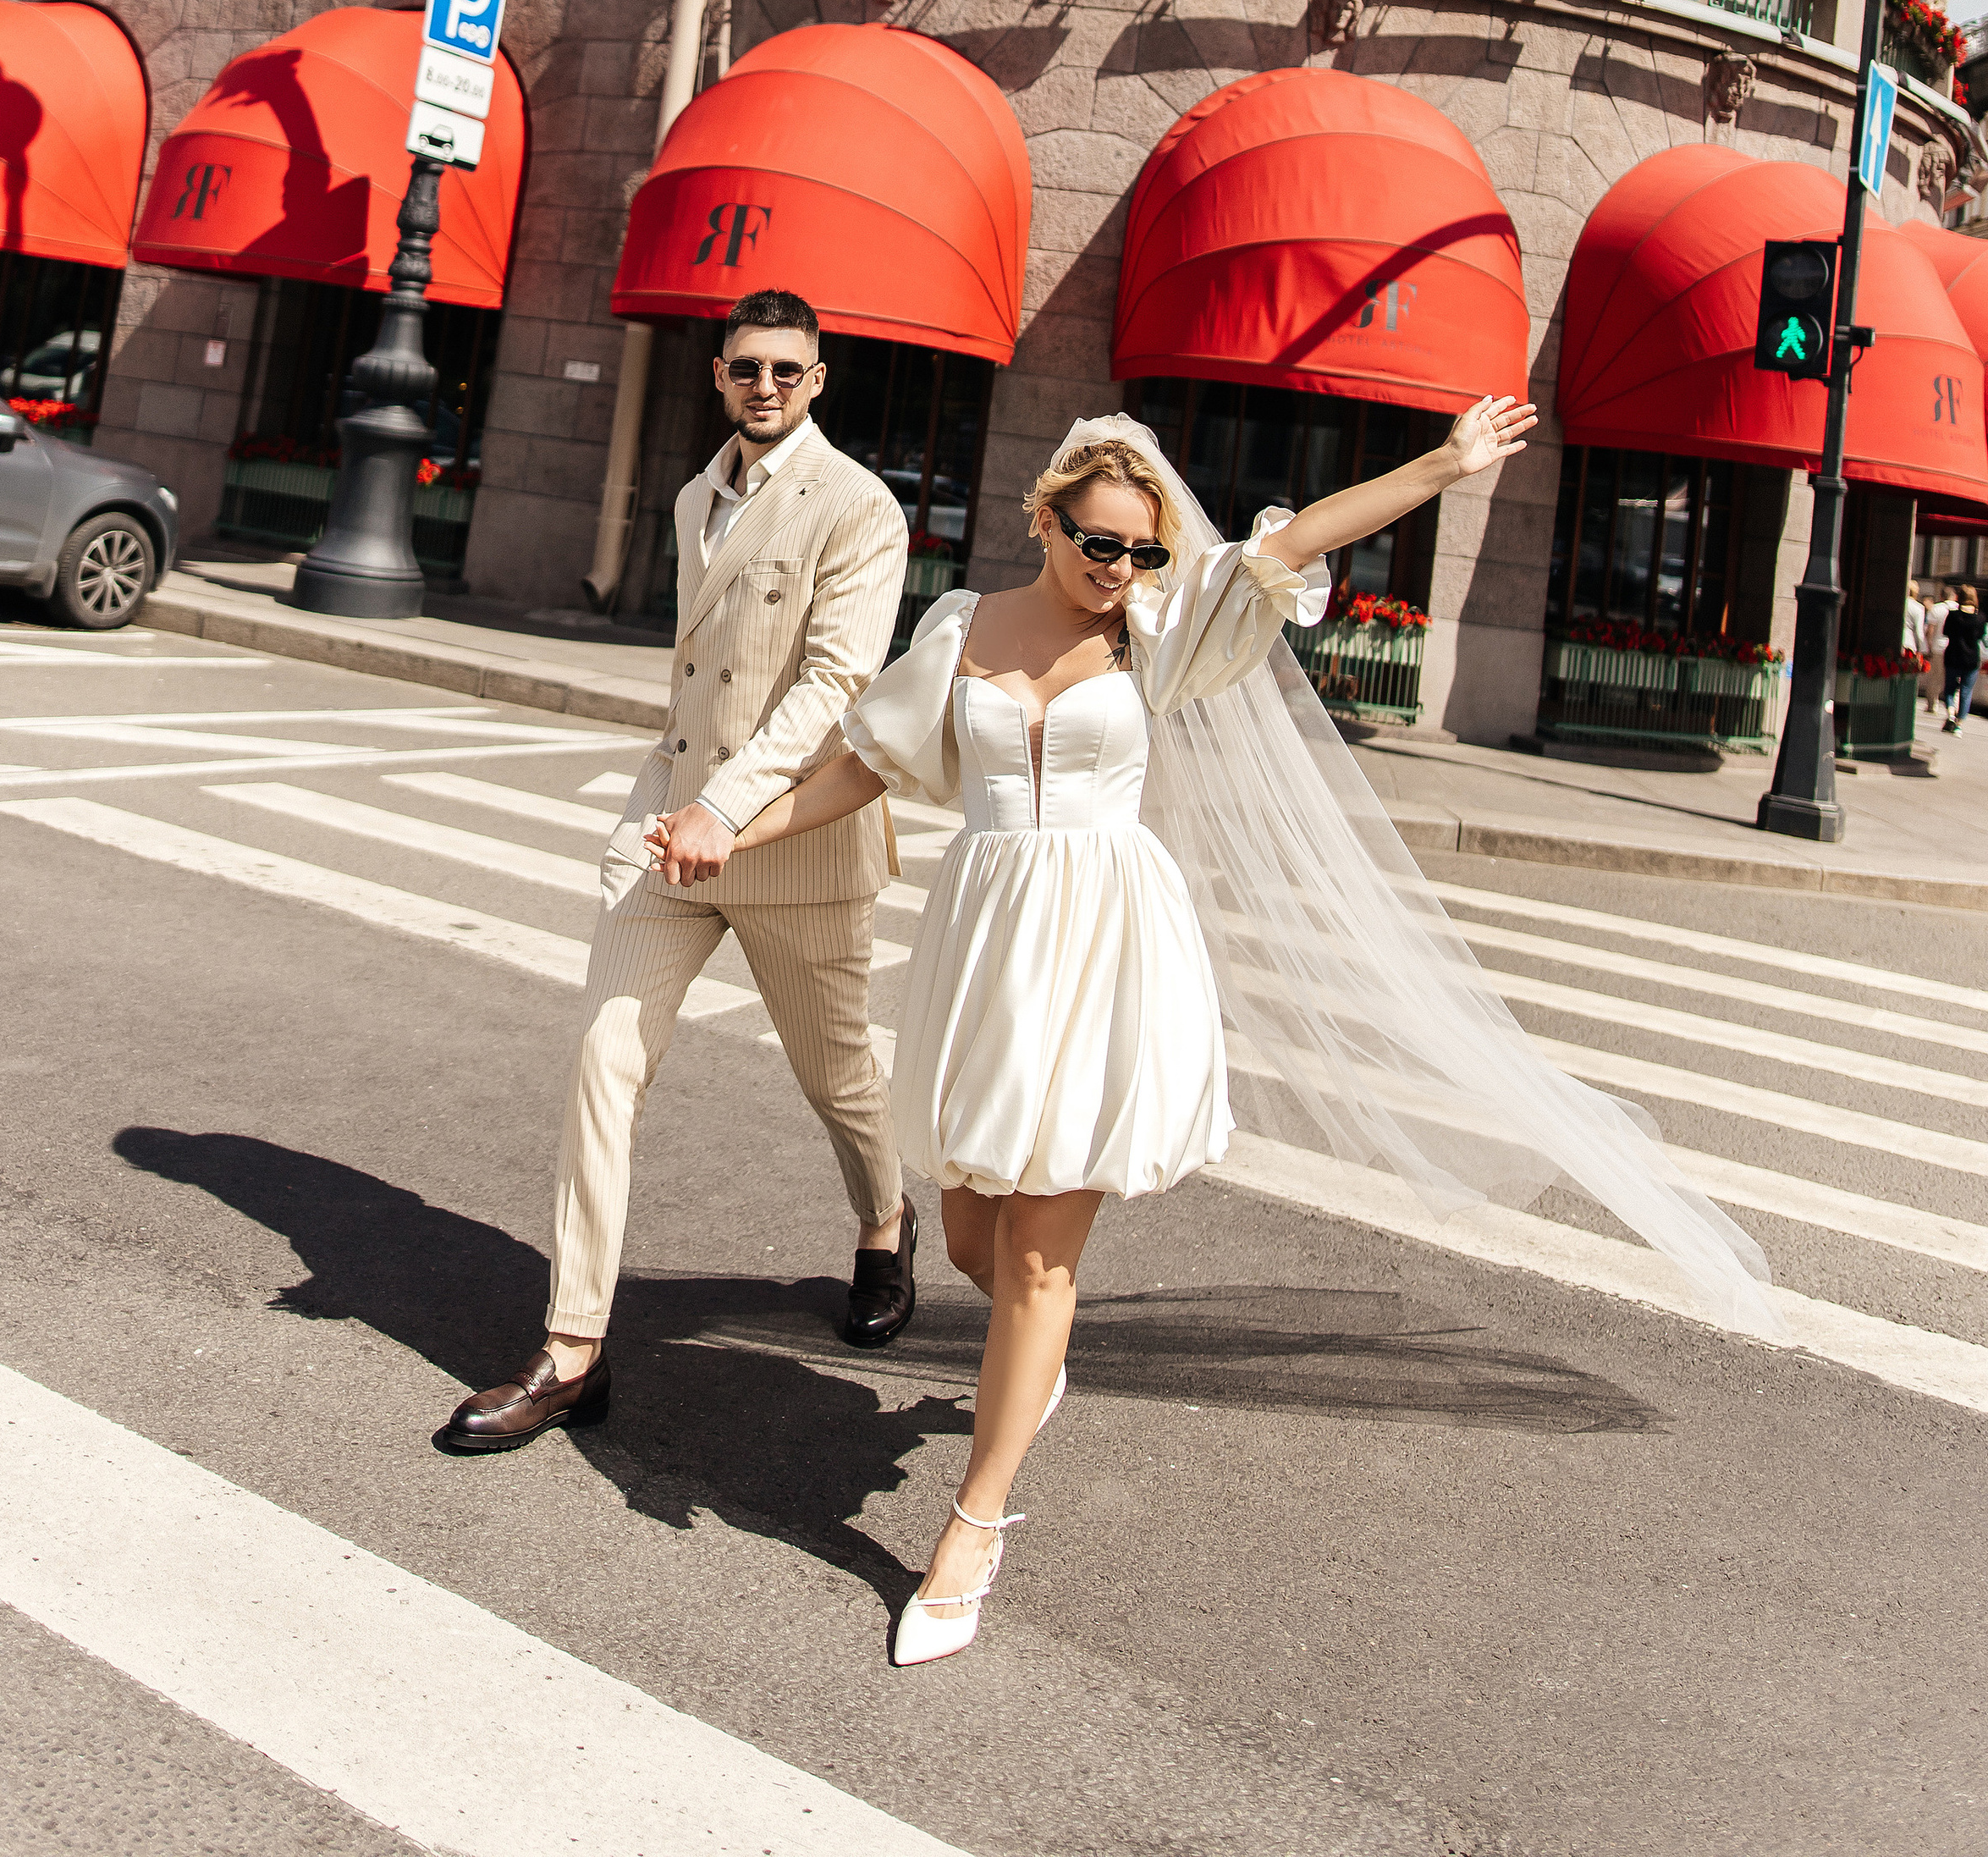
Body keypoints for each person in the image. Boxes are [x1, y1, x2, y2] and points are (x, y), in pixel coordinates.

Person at [658, 400, 1779, 1664]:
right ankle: (1035, 1358)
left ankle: (972, 1529)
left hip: (1105, 946)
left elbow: (1294, 544)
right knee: (972, 1231)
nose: (1119, 568)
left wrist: (1443, 465)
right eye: (1098, 543)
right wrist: (729, 828)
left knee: (1037, 1259)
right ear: (1043, 521)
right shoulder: (961, 627)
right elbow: (865, 764)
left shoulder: (1157, 629)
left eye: (1141, 550)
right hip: (990, 942)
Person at [438, 288, 913, 1452]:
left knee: (838, 1080)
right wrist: (676, 811)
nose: (766, 386)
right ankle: (573, 1351)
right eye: (747, 367)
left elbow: (835, 685)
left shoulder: (859, 505)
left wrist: (725, 810)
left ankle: (886, 1220)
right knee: (602, 1064)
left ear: (818, 379)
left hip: (790, 846)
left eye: (787, 370)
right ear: (718, 375)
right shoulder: (700, 492)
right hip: (670, 838)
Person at [1942, 581, 1982, 736]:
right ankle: (1959, 725)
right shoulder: (1980, 618)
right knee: (1966, 691)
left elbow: (1946, 632)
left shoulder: (1953, 615)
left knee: (1950, 688)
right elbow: (1980, 637)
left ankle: (1951, 714)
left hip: (1953, 656)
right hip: (1971, 659)